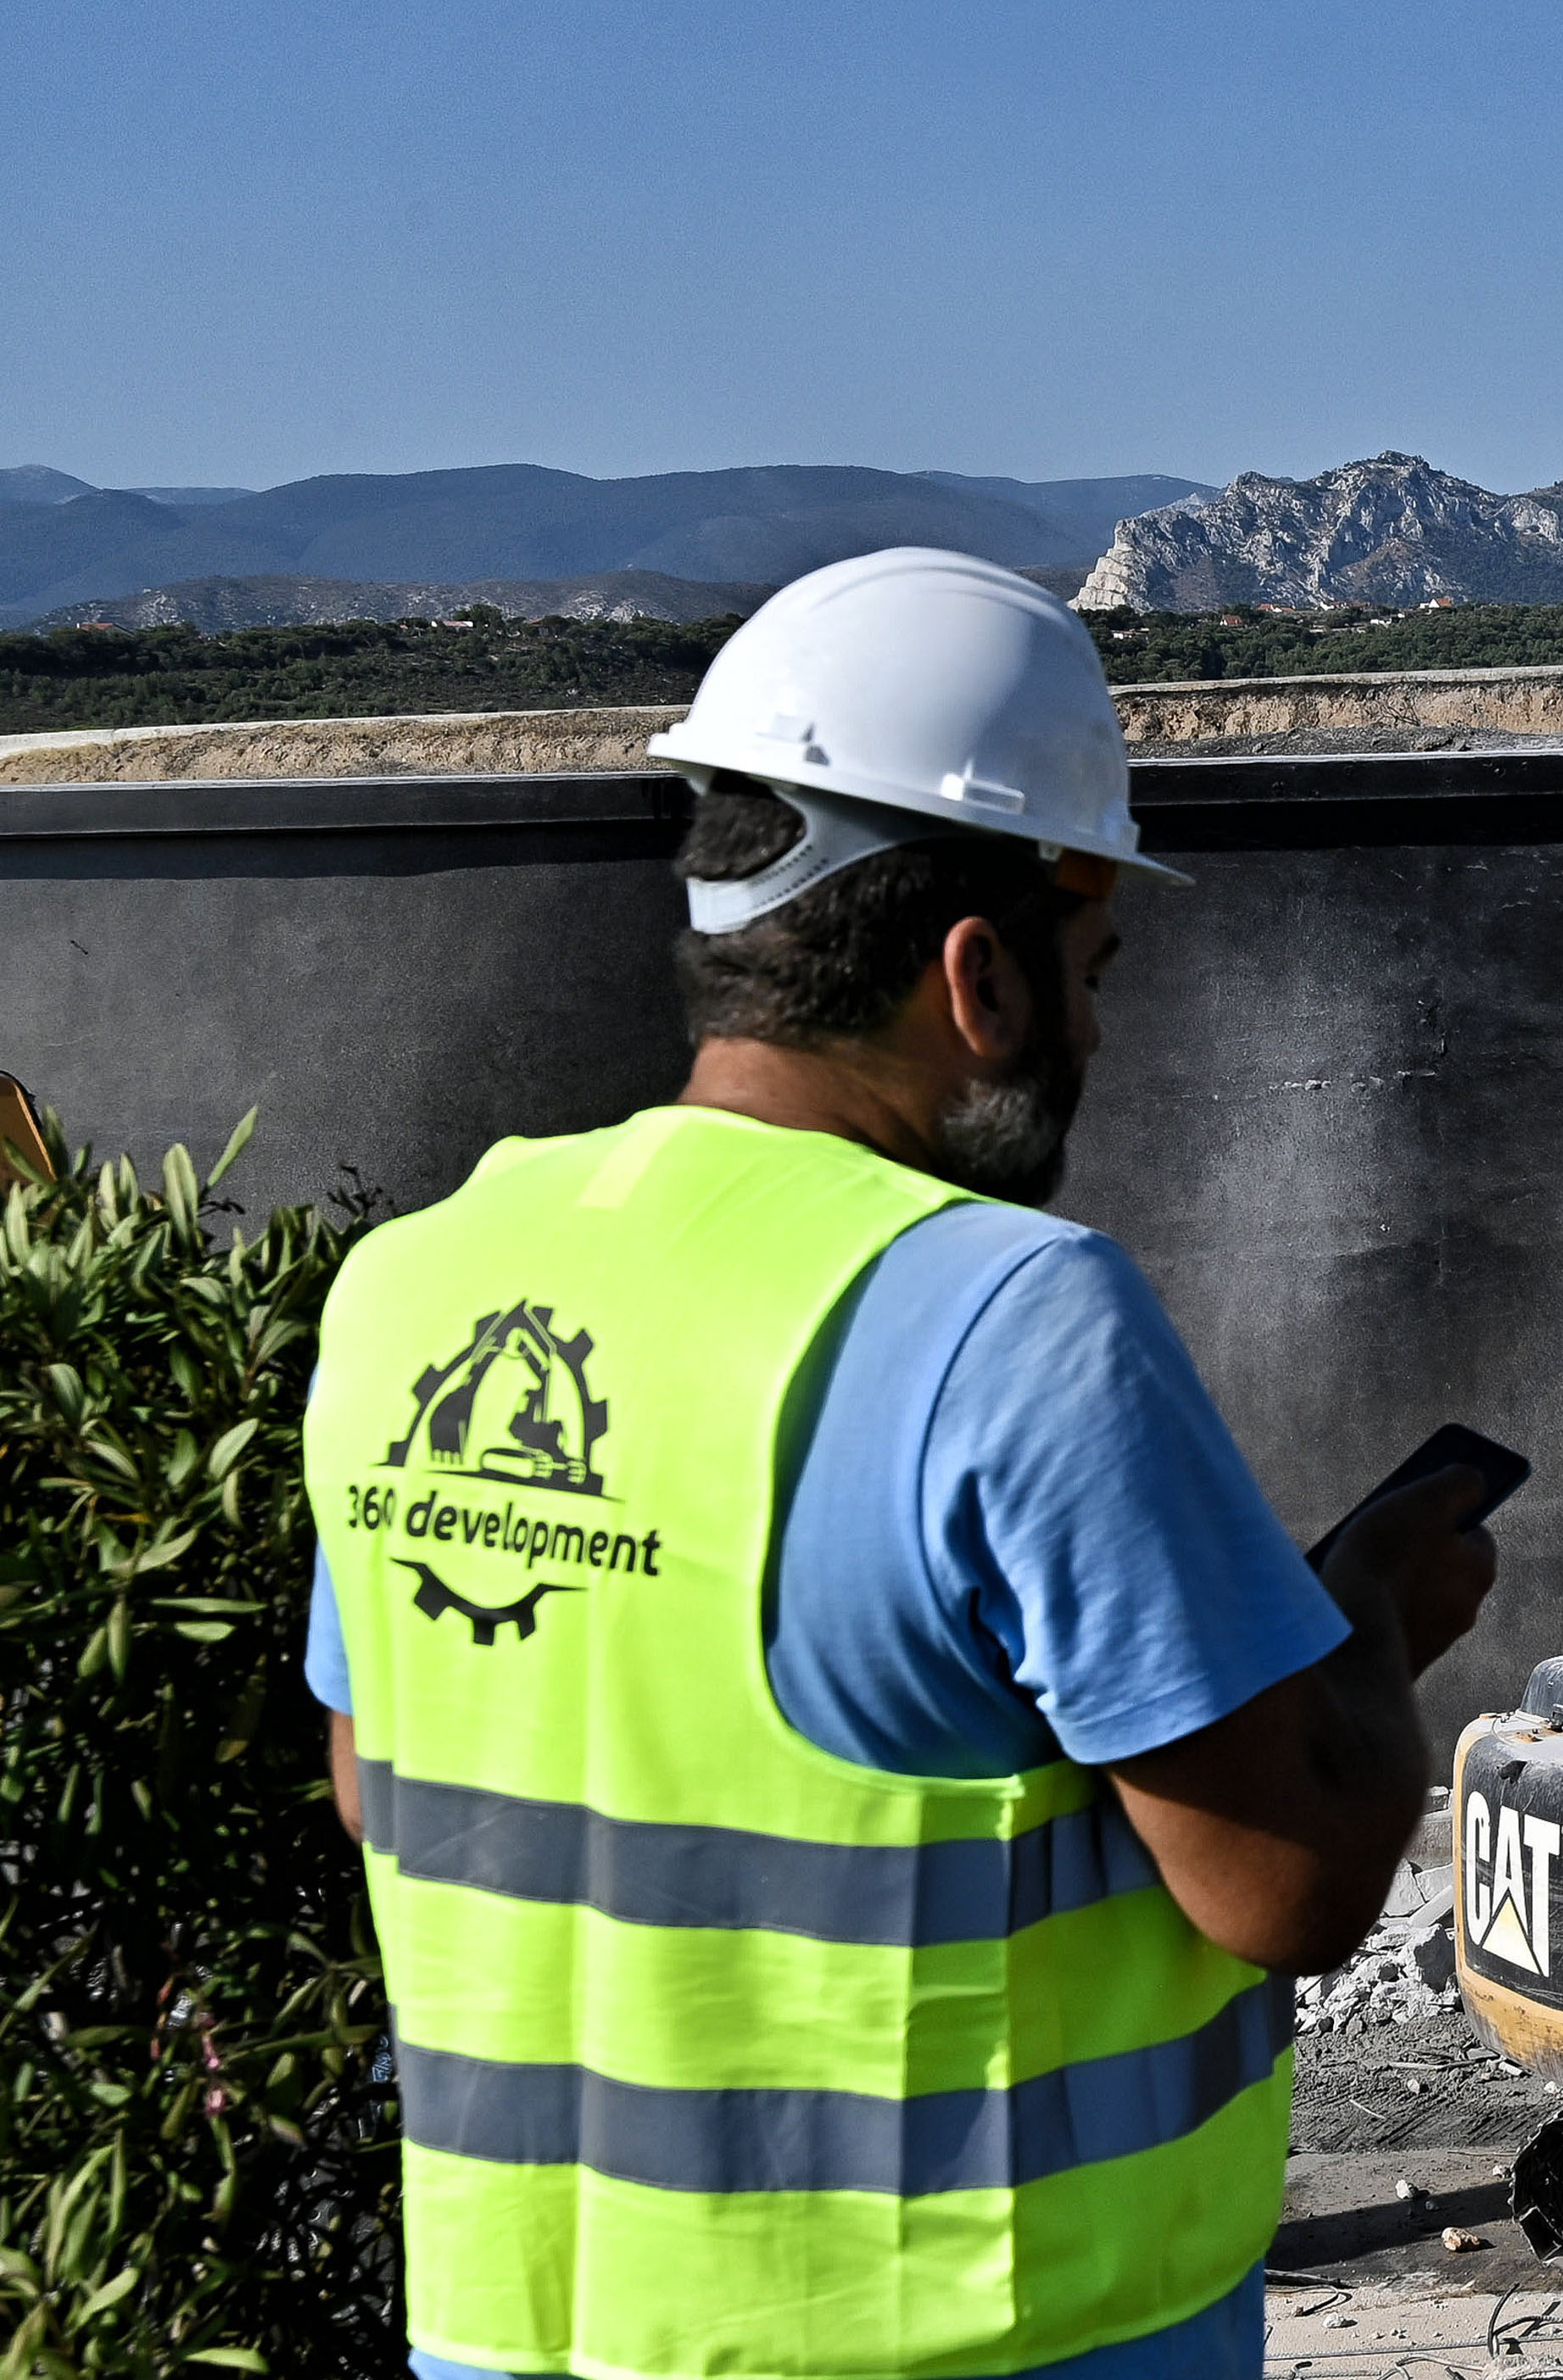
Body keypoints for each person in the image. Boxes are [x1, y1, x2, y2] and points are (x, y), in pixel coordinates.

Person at [299, 548, 1500, 2380]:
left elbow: (399, 1788)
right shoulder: (1008, 1317)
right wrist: (1366, 1617)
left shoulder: (418, 1283)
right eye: (1089, 971)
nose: (1094, 1028)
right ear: (979, 977)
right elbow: (1296, 1882)